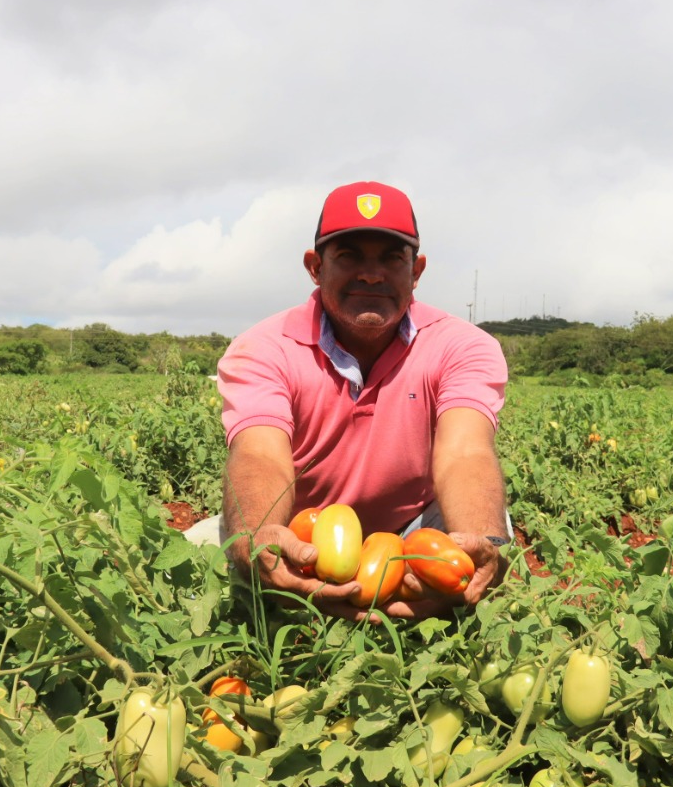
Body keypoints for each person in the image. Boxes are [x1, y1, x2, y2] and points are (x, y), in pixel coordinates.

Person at [185, 181, 511, 621]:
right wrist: (256, 538)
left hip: (412, 534)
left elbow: (465, 452)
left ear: (416, 271)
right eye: (349, 256)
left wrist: (481, 543)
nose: (371, 274)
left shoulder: (462, 346)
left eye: (391, 258)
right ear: (315, 267)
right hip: (306, 538)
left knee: (493, 540)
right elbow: (260, 454)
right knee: (196, 560)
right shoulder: (263, 348)